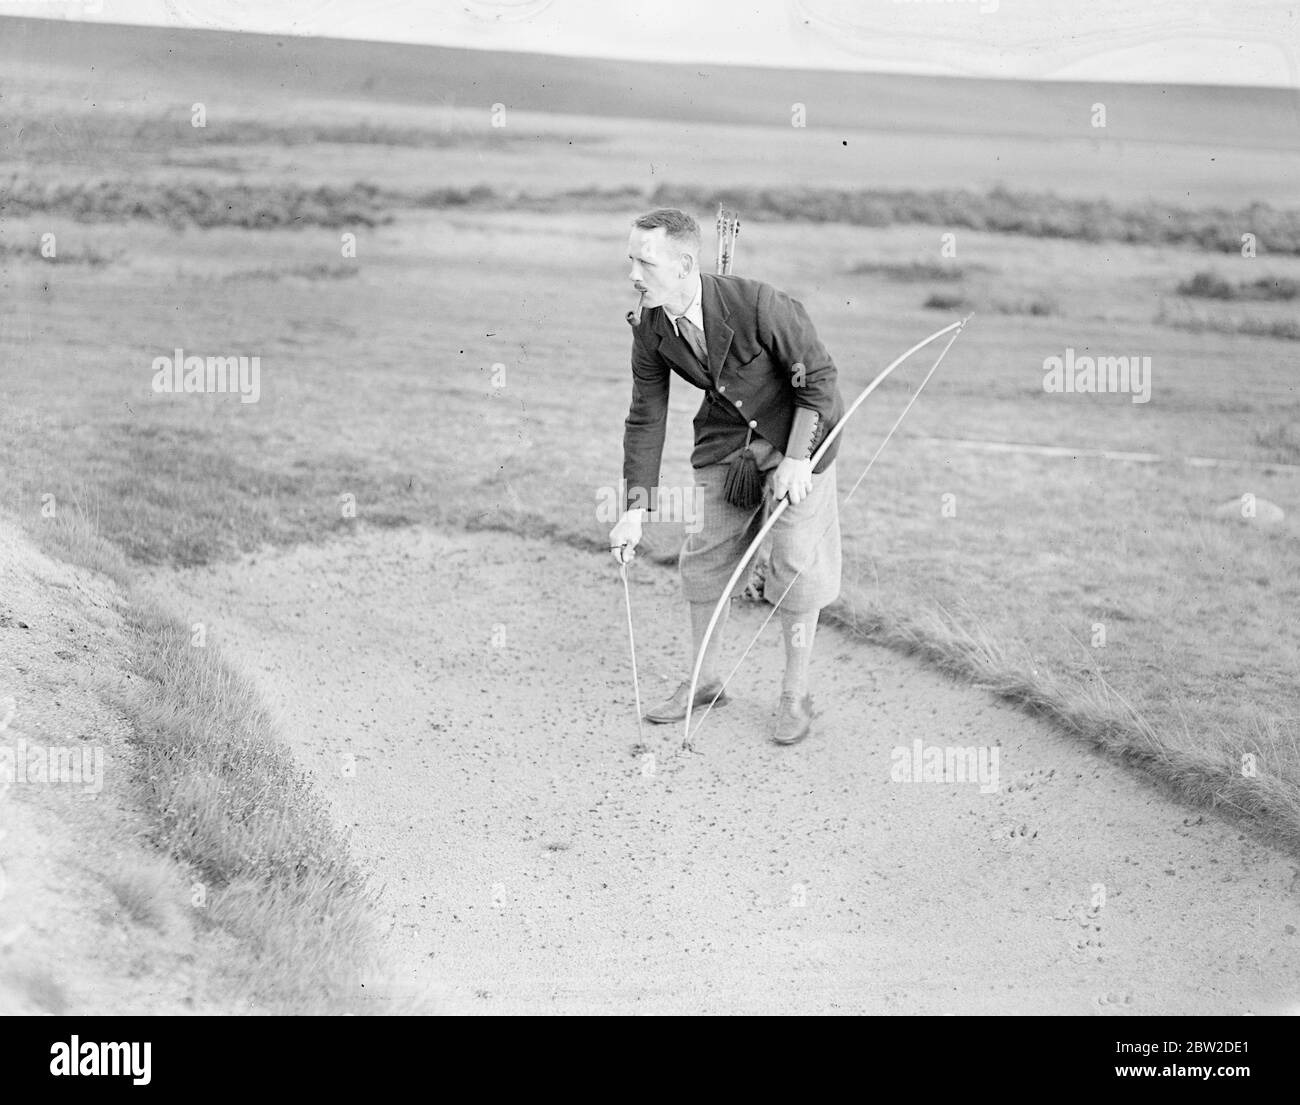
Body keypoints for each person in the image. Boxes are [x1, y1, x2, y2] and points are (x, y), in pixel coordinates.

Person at [609, 208, 845, 745]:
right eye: (631, 260)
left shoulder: (759, 304)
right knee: (705, 557)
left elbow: (820, 379)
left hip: (799, 440)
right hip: (725, 446)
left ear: (685, 263)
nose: (633, 275)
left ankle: (794, 692)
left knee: (795, 566)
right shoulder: (649, 326)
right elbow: (646, 415)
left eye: (644, 262)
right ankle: (704, 681)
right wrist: (632, 511)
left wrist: (797, 458)